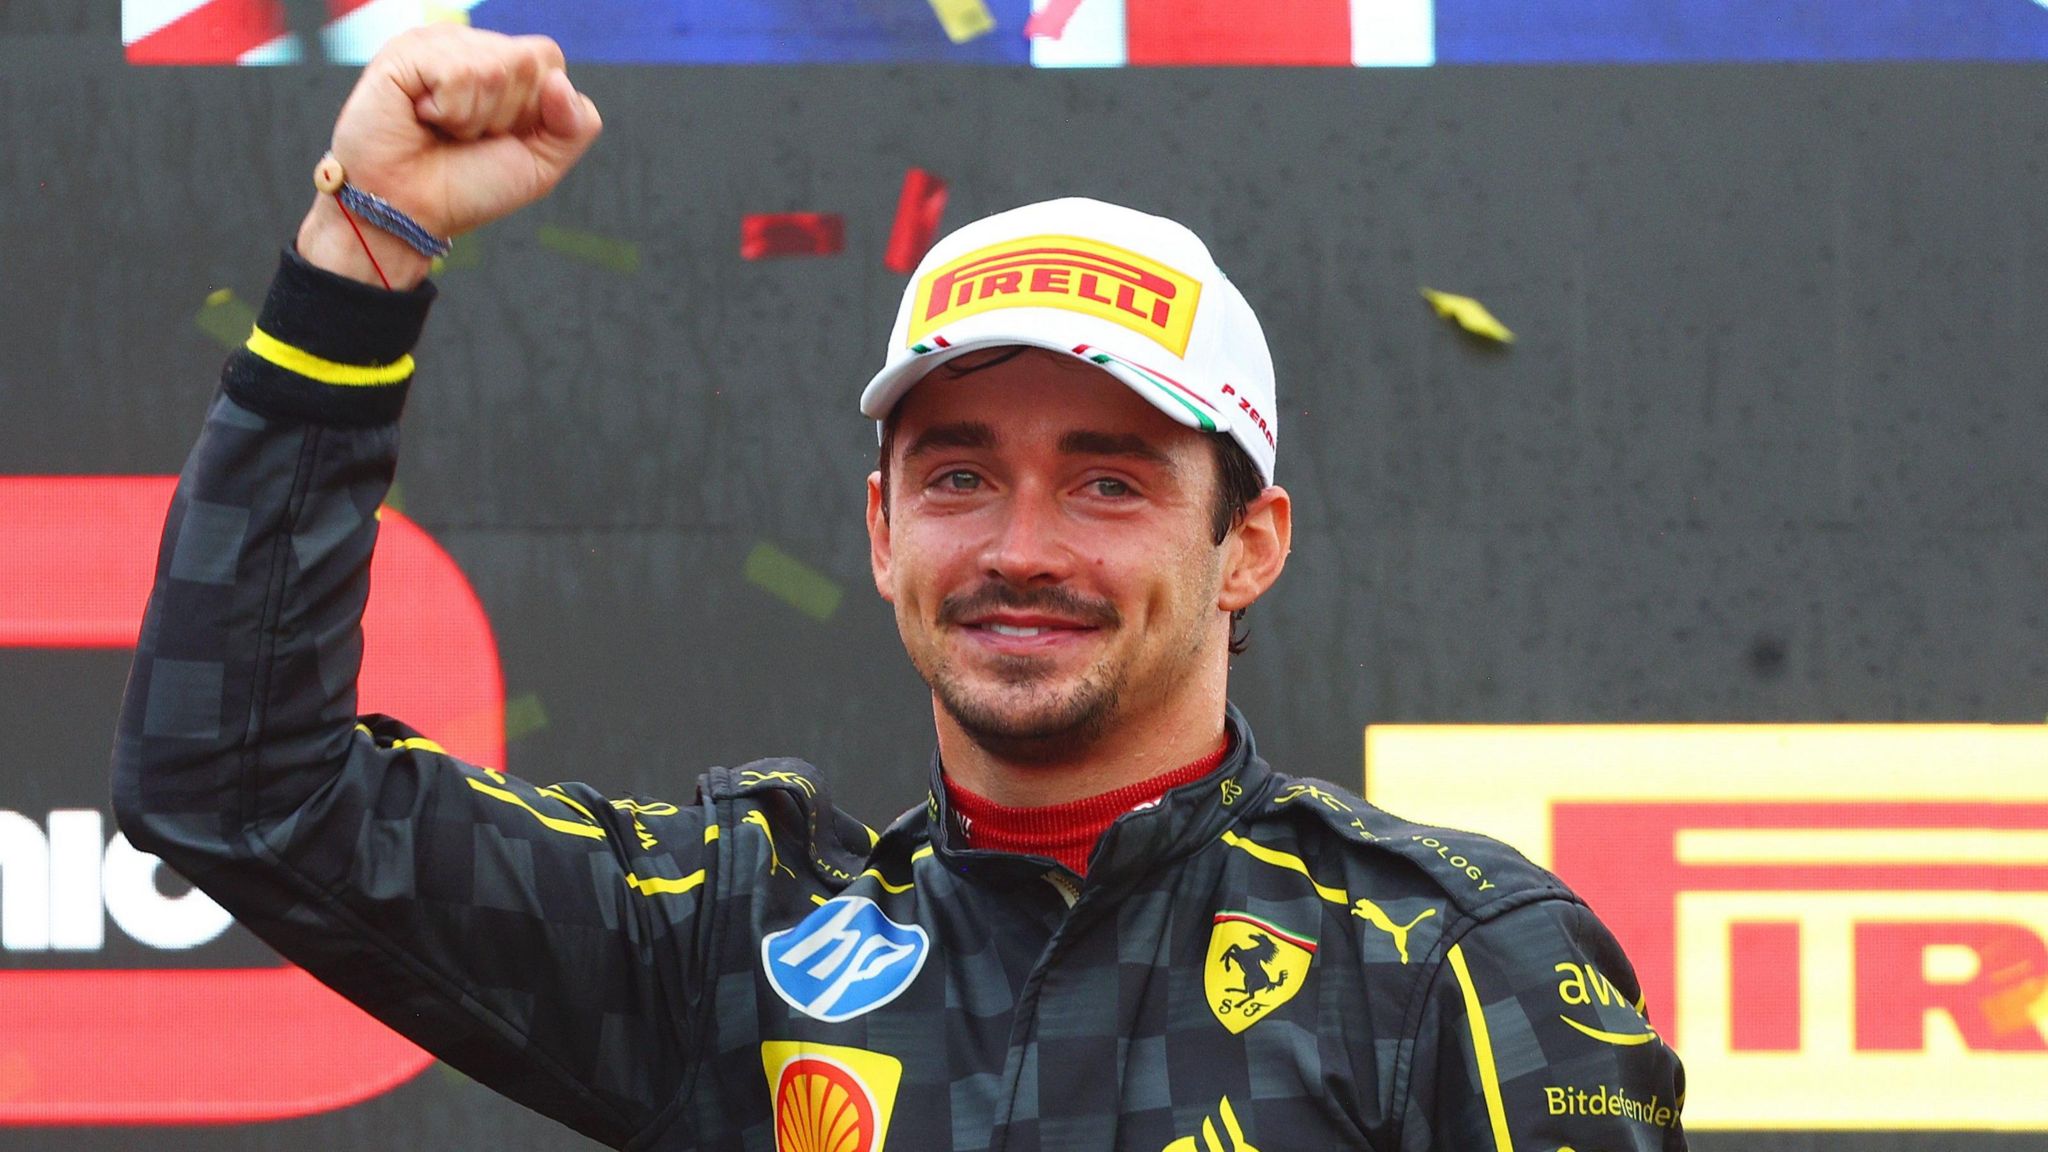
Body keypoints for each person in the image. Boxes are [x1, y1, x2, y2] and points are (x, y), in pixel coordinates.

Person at [113, 24, 1686, 1152]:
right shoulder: (736, 943)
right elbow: (236, 783)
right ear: (878, 533)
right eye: (956, 475)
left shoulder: (1450, 967)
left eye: (1109, 480)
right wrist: (363, 251)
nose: (1019, 545)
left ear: (1249, 544)